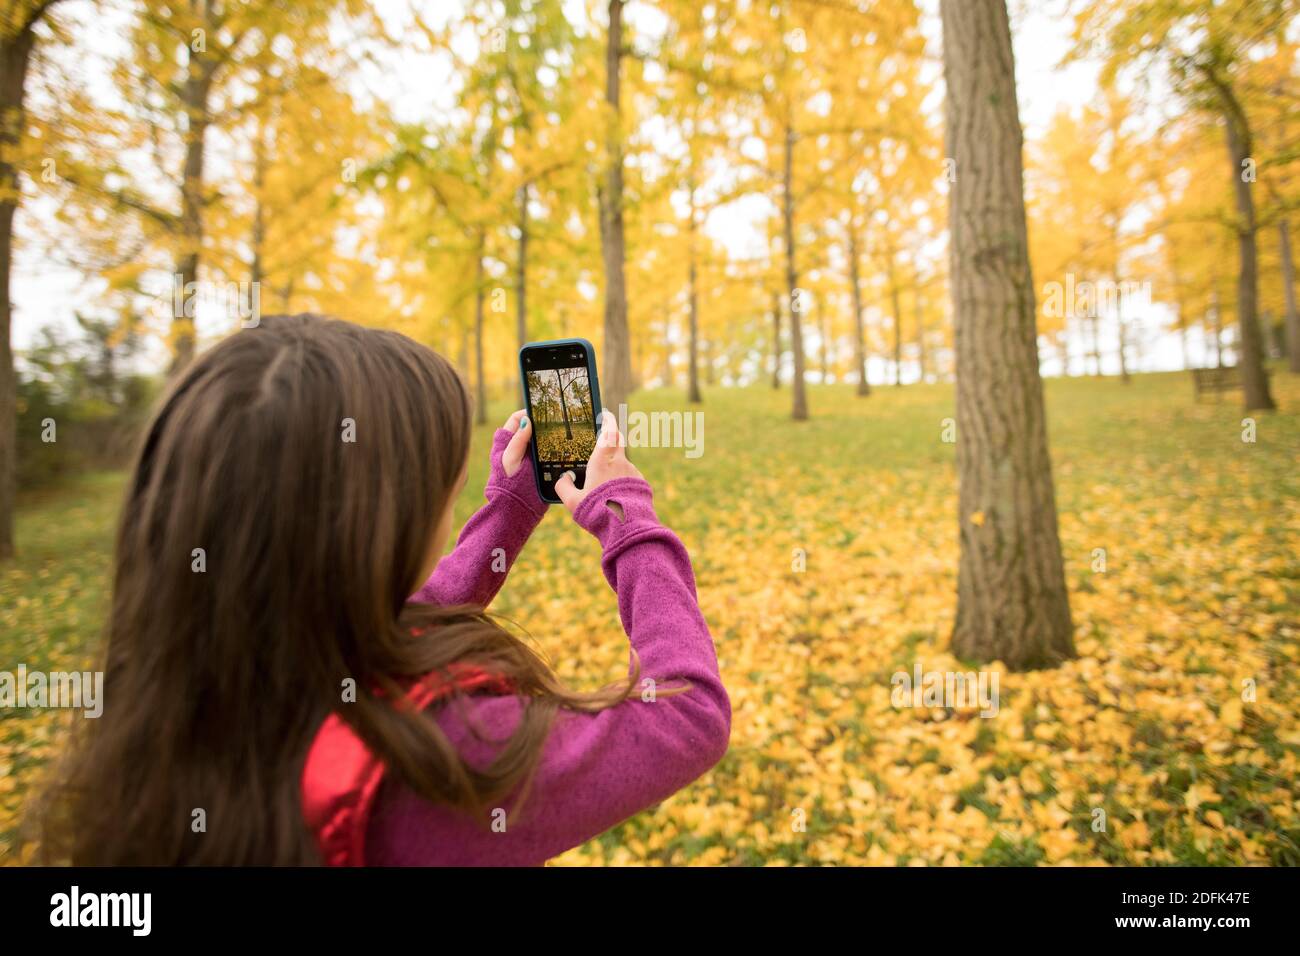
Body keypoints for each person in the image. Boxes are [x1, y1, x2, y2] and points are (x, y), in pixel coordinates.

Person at [39, 314, 729, 865]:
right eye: (440, 484)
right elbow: (686, 714)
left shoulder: (192, 699)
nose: (450, 495)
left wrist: (511, 511)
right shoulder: (446, 760)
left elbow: (400, 620)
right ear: (368, 529)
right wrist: (623, 516)